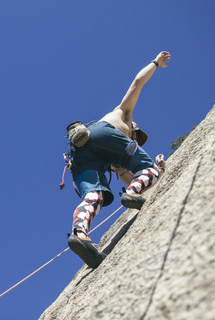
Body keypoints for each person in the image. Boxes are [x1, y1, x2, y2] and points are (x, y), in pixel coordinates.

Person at [66, 51, 171, 268]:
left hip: (80, 154)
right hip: (102, 132)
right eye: (136, 136)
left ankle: (80, 234)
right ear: (134, 129)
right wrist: (155, 63)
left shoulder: (114, 161)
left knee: (94, 195)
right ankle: (81, 234)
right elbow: (137, 83)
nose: (135, 140)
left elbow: (129, 183)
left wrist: (136, 188)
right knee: (147, 167)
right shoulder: (124, 114)